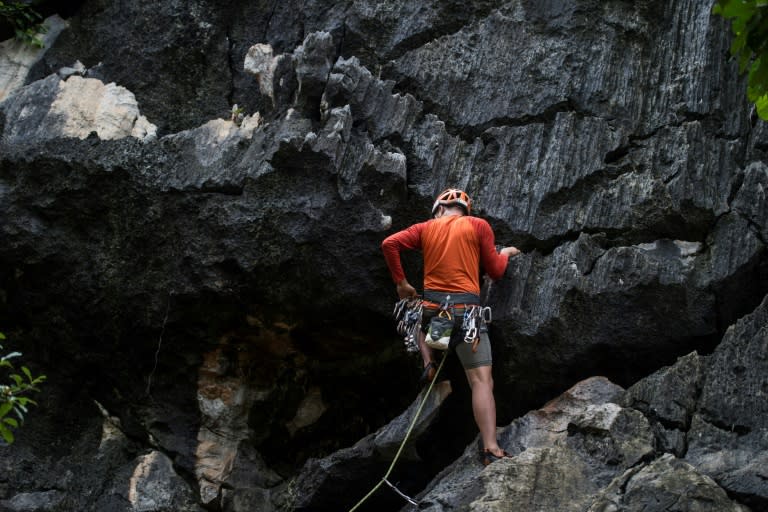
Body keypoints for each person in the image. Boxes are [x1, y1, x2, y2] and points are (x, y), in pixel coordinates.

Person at [381, 188, 521, 466]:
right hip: (467, 316)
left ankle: (429, 362)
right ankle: (490, 448)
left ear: (440, 209)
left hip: (437, 318)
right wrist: (503, 252)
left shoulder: (425, 228)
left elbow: (389, 244)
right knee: (481, 382)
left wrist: (401, 283)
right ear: (463, 209)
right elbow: (495, 271)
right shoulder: (478, 225)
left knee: (414, 312)